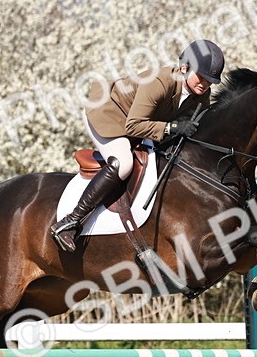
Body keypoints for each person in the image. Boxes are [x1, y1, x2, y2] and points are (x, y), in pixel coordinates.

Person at [49, 39, 226, 252]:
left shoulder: (201, 94)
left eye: (210, 81)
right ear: (184, 67)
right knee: (123, 164)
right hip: (109, 115)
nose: (205, 84)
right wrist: (172, 128)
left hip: (143, 124)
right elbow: (133, 126)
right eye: (202, 77)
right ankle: (70, 221)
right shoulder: (159, 82)